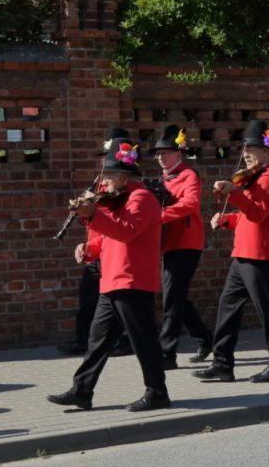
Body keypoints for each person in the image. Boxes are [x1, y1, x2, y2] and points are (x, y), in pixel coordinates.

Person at [47, 136, 170, 412]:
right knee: (98, 339)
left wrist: (94, 214)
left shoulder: (142, 198)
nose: (105, 182)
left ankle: (157, 391)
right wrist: (88, 249)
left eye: (110, 175)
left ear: (125, 177)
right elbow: (108, 234)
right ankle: (82, 390)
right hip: (112, 278)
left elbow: (126, 231)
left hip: (132, 279)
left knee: (143, 339)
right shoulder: (117, 199)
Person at [195, 120, 269, 383]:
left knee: (268, 311)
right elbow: (249, 216)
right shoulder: (253, 178)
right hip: (244, 254)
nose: (246, 153)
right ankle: (222, 364)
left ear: (266, 151)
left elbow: (259, 213)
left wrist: (234, 193)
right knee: (227, 307)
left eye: (253, 148)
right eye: (245, 148)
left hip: (260, 256)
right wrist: (227, 218)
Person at [56, 127, 132, 357]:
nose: (102, 163)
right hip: (95, 248)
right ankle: (84, 340)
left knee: (117, 303)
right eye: (102, 159)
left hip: (111, 249)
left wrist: (93, 207)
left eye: (106, 158)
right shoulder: (99, 185)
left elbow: (116, 220)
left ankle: (123, 341)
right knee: (88, 297)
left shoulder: (124, 190)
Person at [149, 124, 213, 368]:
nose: (160, 157)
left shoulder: (189, 175)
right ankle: (205, 337)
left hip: (186, 242)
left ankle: (167, 353)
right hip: (169, 242)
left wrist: (159, 215)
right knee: (175, 297)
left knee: (172, 298)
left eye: (165, 152)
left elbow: (190, 204)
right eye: (158, 153)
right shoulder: (162, 179)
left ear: (178, 154)